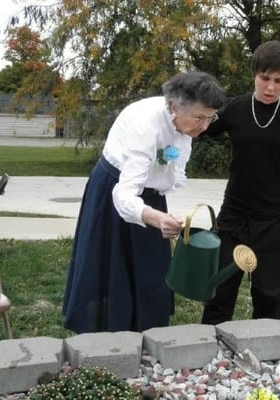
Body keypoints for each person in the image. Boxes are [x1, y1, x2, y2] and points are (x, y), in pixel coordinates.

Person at [63, 71, 226, 333]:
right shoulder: (146, 125)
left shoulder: (186, 123)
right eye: (199, 118)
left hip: (150, 197)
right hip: (114, 190)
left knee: (152, 267)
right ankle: (106, 335)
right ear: (174, 107)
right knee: (112, 270)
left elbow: (168, 166)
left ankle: (149, 332)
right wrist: (157, 218)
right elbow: (124, 194)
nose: (205, 126)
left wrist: (157, 212)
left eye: (210, 117)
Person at [201, 40, 280, 324]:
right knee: (219, 293)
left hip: (276, 223)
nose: (270, 87)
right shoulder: (235, 109)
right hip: (234, 218)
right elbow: (198, 128)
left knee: (271, 300)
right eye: (265, 78)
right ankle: (209, 356)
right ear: (254, 73)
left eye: (279, 81)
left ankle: (267, 357)